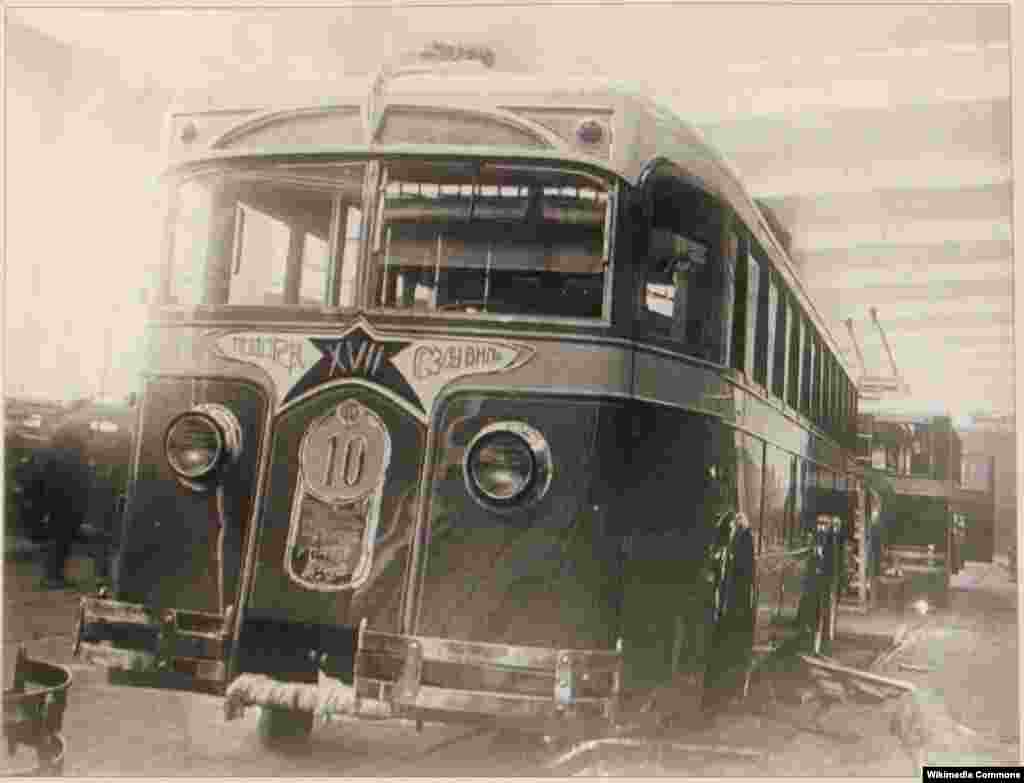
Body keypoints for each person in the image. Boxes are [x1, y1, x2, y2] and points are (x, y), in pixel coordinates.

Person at [27, 400, 94, 589]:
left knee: (61, 535)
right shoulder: (73, 428)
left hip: (60, 487)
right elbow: (79, 454)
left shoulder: (63, 428)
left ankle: (54, 575)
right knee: (61, 536)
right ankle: (52, 577)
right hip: (65, 489)